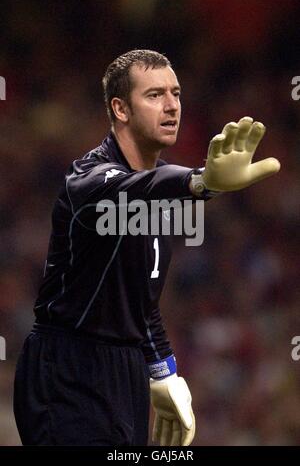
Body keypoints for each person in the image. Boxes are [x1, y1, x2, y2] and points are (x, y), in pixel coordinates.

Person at [13, 49, 280, 446]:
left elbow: (142, 302)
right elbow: (133, 187)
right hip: (66, 370)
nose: (172, 106)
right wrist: (202, 182)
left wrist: (163, 371)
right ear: (120, 108)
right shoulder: (87, 180)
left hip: (125, 373)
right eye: (154, 95)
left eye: (175, 93)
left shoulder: (154, 196)